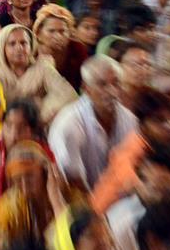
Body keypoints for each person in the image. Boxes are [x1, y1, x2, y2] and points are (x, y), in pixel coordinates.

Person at [91, 90, 170, 214]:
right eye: (159, 120)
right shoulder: (129, 153)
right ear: (142, 127)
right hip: (105, 215)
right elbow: (149, 193)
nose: (168, 127)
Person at [49, 55, 137, 191]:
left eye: (116, 83)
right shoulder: (68, 124)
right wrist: (98, 203)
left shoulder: (129, 119)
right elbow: (73, 181)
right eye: (102, 85)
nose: (112, 91)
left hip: (119, 198)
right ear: (86, 89)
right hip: (80, 199)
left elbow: (132, 167)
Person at [105, 148, 170, 250]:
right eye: (143, 179)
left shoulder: (166, 221)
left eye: (163, 184)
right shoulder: (130, 204)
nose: (140, 185)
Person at [0, 25, 77, 124]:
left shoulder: (42, 67)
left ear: (31, 46)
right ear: (2, 47)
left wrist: (40, 111)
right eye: (12, 44)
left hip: (38, 124)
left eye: (23, 43)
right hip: (2, 124)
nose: (19, 48)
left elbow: (68, 93)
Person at [32, 4, 89, 91]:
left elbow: (87, 82)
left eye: (62, 31)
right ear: (38, 33)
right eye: (51, 31)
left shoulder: (77, 49)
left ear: (69, 33)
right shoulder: (31, 52)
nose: (58, 36)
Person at [117, 42, 157, 113]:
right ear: (119, 65)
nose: (144, 71)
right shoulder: (111, 96)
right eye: (136, 65)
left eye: (148, 65)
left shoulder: (156, 98)